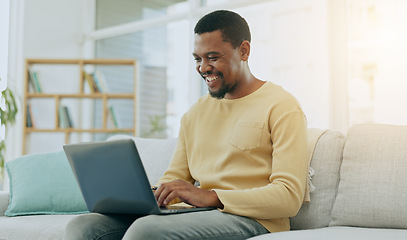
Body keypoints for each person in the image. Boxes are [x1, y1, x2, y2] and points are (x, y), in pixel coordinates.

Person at [64, 10, 308, 240]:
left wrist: (210, 196)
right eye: (198, 59)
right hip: (201, 214)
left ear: (243, 51)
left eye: (213, 57)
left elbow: (289, 196)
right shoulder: (195, 113)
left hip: (253, 219)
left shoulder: (281, 106)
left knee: (146, 231)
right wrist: (152, 194)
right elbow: (176, 177)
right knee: (85, 226)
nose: (203, 68)